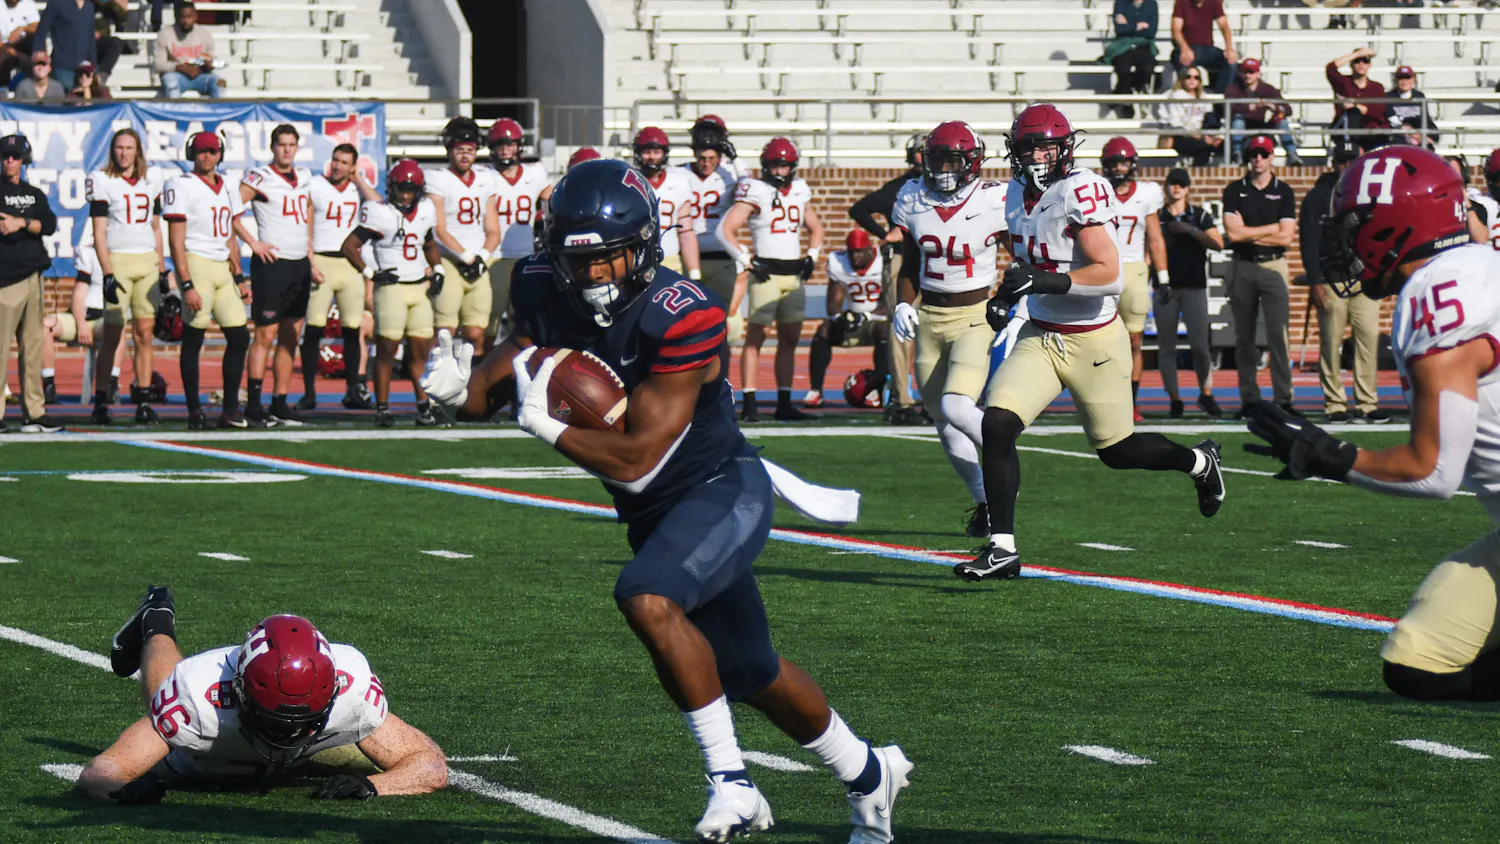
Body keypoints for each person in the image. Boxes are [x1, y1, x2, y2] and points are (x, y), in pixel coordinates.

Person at [419, 158, 911, 842]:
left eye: (609, 260)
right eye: (578, 261)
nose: (592, 276)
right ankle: (868, 772)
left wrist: (549, 426)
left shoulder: (682, 312)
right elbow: (505, 374)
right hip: (652, 511)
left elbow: (639, 456)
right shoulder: (538, 283)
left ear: (644, 248)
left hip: (719, 488)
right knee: (751, 671)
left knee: (647, 597)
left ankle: (732, 784)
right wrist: (455, 390)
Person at [1244, 145, 1500, 709]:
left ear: (1393, 227)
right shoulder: (1478, 265)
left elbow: (1433, 471)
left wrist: (1327, 454)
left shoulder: (1440, 293)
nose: (1348, 245)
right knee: (1419, 664)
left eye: (1356, 228)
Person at [963, 104, 1224, 581]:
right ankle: (1002, 547)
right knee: (996, 425)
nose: (1038, 155)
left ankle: (1199, 461)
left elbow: (1108, 274)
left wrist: (1038, 282)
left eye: (1046, 146)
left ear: (1065, 149)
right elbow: (1026, 258)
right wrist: (1006, 294)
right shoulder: (1016, 191)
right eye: (1029, 147)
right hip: (1042, 334)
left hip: (1094, 339)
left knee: (1116, 451)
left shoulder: (1080, 188)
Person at [80, 586, 448, 803]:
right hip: (201, 763)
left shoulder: (352, 687)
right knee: (165, 689)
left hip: (298, 754)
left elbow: (428, 764)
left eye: (301, 719)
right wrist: (122, 792)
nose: (286, 733)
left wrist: (372, 786)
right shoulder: (197, 694)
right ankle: (155, 621)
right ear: (239, 689)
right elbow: (102, 771)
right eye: (275, 719)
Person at [890, 122, 1002, 539]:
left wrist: (1017, 303)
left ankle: (1003, 454)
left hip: (975, 315)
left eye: (952, 159)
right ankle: (987, 502)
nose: (942, 168)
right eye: (936, 158)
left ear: (970, 162)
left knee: (958, 407)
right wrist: (904, 302)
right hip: (930, 320)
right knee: (943, 420)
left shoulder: (992, 199)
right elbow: (910, 259)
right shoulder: (912, 197)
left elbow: (1021, 253)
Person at [717, 137, 825, 422]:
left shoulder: (800, 190)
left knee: (790, 338)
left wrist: (812, 256)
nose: (780, 171)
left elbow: (816, 228)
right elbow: (725, 229)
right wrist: (745, 260)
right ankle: (750, 401)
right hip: (766, 273)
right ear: (766, 166)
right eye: (775, 165)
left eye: (785, 165)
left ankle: (785, 402)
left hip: (793, 274)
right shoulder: (755, 189)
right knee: (756, 337)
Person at [341, 159, 444, 428]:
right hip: (391, 289)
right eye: (401, 189)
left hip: (418, 287)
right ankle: (382, 409)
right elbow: (350, 246)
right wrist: (371, 273)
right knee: (386, 351)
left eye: (410, 189)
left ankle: (424, 407)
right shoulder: (378, 212)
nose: (406, 195)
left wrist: (439, 269)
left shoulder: (425, 209)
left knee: (421, 353)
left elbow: (429, 243)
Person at [164, 131, 250, 430]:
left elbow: (230, 236)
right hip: (197, 263)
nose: (207, 157)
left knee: (240, 337)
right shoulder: (181, 184)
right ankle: (194, 410)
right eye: (201, 151)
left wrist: (239, 276)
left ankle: (229, 410)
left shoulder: (228, 184)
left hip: (223, 268)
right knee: (194, 339)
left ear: (220, 154)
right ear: (192, 154)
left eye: (212, 151)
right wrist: (186, 284)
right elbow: (176, 241)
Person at [1300, 136, 1386, 424]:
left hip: (1364, 280)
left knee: (1367, 340)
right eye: (1342, 161)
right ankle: (1335, 403)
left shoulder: (1369, 192)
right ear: (1334, 163)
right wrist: (1315, 280)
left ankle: (1366, 402)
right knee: (1330, 343)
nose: (1347, 166)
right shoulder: (1318, 196)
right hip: (1331, 279)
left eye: (1352, 160)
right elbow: (1309, 241)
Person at [234, 124, 314, 428]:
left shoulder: (304, 176)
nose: (287, 150)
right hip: (272, 265)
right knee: (265, 335)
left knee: (291, 336)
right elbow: (229, 208)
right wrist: (253, 242)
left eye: (292, 144)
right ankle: (254, 406)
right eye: (282, 144)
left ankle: (279, 401)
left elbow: (307, 206)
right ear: (273, 147)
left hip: (298, 265)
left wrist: (309, 245)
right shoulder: (260, 177)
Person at [87, 127, 166, 425]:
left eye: (129, 148)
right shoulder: (102, 180)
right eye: (119, 148)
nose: (123, 153)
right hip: (118, 261)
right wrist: (107, 272)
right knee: (112, 334)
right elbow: (99, 232)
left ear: (138, 151)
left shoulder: (151, 179)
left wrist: (162, 267)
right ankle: (102, 400)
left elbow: (156, 227)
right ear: (113, 150)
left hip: (146, 259)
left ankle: (143, 400)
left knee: (145, 333)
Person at [849, 133, 926, 423]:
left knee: (931, 326)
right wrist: (886, 234)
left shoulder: (940, 186)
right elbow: (859, 209)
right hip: (903, 256)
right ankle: (902, 399)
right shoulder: (900, 187)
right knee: (901, 326)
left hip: (933, 257)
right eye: (920, 152)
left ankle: (932, 398)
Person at [1223, 134, 1297, 415]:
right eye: (1254, 153)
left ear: (1271, 157)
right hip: (1242, 265)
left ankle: (1283, 398)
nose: (1258, 158)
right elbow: (1233, 234)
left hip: (1273, 265)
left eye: (1263, 154)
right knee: (1244, 337)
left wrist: (1248, 233)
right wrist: (1271, 228)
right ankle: (1249, 398)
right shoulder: (1234, 190)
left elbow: (1286, 239)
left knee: (1279, 334)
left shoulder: (1284, 190)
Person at [303, 142, 379, 412]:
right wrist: (310, 261)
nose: (337, 165)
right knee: (313, 329)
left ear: (353, 166)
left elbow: (379, 207)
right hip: (323, 259)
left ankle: (353, 390)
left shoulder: (358, 189)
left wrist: (358, 179)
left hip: (350, 264)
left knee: (352, 329)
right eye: (335, 160)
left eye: (344, 162)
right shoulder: (315, 185)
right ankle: (309, 392)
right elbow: (306, 225)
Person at [1101, 137, 1168, 420]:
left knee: (1134, 341)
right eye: (1114, 162)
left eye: (1123, 161)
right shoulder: (1098, 190)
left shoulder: (1147, 193)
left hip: (1134, 270)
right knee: (1100, 339)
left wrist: (1163, 277)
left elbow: (1155, 238)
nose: (1119, 167)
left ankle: (1131, 401)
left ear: (1132, 163)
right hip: (1103, 270)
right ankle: (1102, 398)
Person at [425, 116, 500, 357]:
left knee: (476, 333)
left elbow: (493, 229)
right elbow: (439, 229)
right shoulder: (437, 178)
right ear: (449, 149)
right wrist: (468, 257)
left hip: (478, 261)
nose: (465, 155)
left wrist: (482, 256)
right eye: (460, 150)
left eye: (470, 150)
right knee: (444, 332)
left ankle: (473, 388)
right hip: (450, 260)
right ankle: (439, 389)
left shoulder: (486, 178)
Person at [0, 133, 59, 434]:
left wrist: (20, 223)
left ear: (24, 160)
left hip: (33, 276)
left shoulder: (33, 193)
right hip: (4, 280)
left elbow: (48, 224)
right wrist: (27, 224)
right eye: (5, 156)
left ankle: (34, 411)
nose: (9, 161)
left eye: (15, 156)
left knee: (33, 347)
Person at [1155, 167, 1224, 418]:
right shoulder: (1157, 216)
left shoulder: (1199, 215)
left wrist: (1190, 231)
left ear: (1188, 189)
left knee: (1200, 346)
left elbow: (1218, 243)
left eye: (1181, 184)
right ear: (1166, 187)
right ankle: (1174, 398)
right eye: (1172, 183)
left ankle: (1206, 393)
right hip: (1165, 288)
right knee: (1167, 348)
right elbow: (1147, 250)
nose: (1176, 188)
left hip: (1194, 286)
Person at [483, 118, 551, 346]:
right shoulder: (483, 175)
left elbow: (554, 202)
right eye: (500, 145)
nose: (505, 150)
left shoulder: (535, 173)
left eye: (510, 144)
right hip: (493, 257)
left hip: (524, 256)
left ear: (519, 146)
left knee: (521, 321)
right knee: (487, 321)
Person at [806, 229, 888, 409]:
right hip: (854, 321)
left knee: (884, 330)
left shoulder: (884, 262)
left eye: (859, 252)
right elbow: (832, 304)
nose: (855, 257)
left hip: (878, 320)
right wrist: (841, 318)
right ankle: (816, 390)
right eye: (851, 252)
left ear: (869, 250)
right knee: (824, 329)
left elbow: (891, 303)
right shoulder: (838, 263)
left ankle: (877, 389)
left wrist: (866, 315)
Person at [43, 244, 124, 405]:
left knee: (117, 328)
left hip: (105, 319)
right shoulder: (90, 254)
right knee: (45, 325)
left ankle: (111, 383)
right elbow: (79, 294)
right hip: (83, 315)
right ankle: (48, 384)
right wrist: (81, 324)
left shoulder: (126, 257)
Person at [679, 121, 740, 333]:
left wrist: (736, 158)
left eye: (712, 159)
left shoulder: (730, 174)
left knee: (718, 321)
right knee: (686, 320)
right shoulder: (679, 174)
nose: (706, 164)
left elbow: (753, 188)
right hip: (687, 256)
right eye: (702, 158)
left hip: (721, 255)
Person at [633, 127, 701, 287]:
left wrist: (694, 272)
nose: (651, 157)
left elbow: (686, 232)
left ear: (664, 153)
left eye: (656, 152)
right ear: (638, 153)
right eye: (647, 152)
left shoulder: (679, 182)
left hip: (670, 260)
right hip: (636, 261)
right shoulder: (631, 181)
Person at [1225, 58, 1300, 165]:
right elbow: (1227, 108)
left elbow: (1288, 109)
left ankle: (1292, 154)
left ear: (1258, 73)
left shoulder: (1266, 89)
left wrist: (1274, 107)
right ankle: (1236, 154)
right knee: (1238, 119)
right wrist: (1249, 108)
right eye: (1245, 72)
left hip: (1262, 127)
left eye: (1251, 72)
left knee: (1281, 119)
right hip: (1243, 128)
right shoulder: (1234, 88)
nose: (1248, 75)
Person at [154, 2, 223, 99]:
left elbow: (210, 58)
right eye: (182, 17)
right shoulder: (165, 34)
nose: (186, 20)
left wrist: (207, 66)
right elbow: (158, 64)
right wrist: (179, 67)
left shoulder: (205, 34)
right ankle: (177, 113)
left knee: (218, 83)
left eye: (189, 16)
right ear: (177, 17)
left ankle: (215, 113)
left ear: (195, 16)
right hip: (176, 75)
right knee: (170, 82)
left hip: (200, 74)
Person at [1158, 65, 1224, 166]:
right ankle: (1195, 175)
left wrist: (1215, 137)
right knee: (1204, 148)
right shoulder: (1176, 96)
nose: (1192, 80)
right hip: (1180, 136)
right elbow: (1175, 124)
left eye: (1196, 77)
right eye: (1188, 77)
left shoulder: (1203, 97)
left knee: (1224, 146)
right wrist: (1197, 135)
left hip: (1201, 135)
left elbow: (1210, 120)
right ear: (1182, 78)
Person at [1170, 0, 1239, 94]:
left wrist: (1229, 48)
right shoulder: (1182, 2)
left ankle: (1220, 99)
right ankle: (1185, 97)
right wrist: (1185, 48)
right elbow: (1176, 30)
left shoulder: (1214, 2)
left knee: (1230, 62)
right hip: (1186, 47)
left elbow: (1224, 26)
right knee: (1182, 60)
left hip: (1207, 49)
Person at [1327, 46, 1387, 151]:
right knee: (1353, 114)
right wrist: (1356, 54)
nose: (1361, 65)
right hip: (1345, 131)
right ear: (1351, 64)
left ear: (1370, 65)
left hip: (1370, 132)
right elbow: (1331, 68)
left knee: (1355, 111)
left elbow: (1378, 112)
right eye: (1357, 61)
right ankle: (1353, 148)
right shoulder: (1343, 83)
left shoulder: (1377, 87)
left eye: (1365, 61)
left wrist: (1357, 106)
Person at [1107, 0, 1158, 118]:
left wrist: (1128, 24)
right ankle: (1127, 104)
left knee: (1147, 68)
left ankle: (1120, 91)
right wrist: (1137, 26)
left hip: (1143, 45)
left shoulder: (1151, 3)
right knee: (1123, 68)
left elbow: (1151, 31)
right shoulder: (1120, 2)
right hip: (1123, 46)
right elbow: (1119, 30)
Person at [32, 0, 95, 90]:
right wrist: (39, 57)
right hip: (62, 67)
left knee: (84, 101)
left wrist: (94, 66)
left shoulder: (89, 6)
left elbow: (91, 38)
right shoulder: (57, 3)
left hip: (84, 69)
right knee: (64, 99)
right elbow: (41, 31)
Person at [1385, 65, 1435, 144]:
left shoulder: (1419, 96)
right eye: (1401, 78)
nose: (1404, 81)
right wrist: (1411, 133)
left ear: (1414, 80)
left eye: (1408, 78)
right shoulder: (1389, 96)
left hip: (1418, 133)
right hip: (1398, 136)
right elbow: (1392, 120)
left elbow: (1425, 119)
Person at [0, 0, 40, 86]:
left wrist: (22, 28)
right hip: (4, 49)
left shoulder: (28, 4)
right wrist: (19, 55)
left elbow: (37, 27)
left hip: (24, 46)